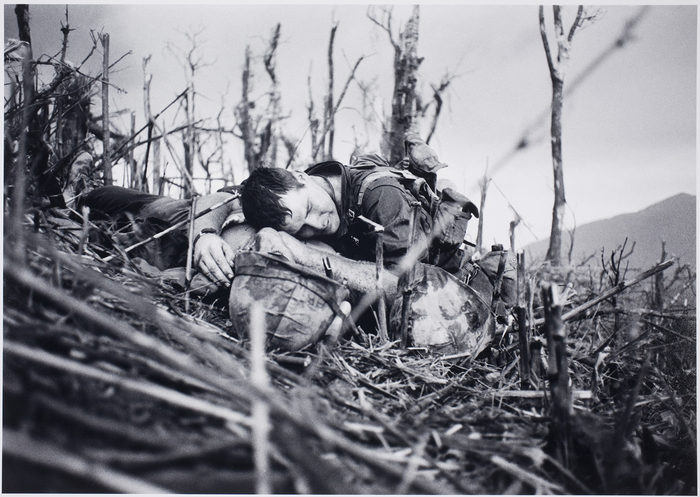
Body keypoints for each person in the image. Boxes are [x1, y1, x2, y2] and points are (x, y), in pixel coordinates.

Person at [193, 154, 478, 299]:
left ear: (299, 176)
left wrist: (305, 255)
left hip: (456, 280)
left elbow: (401, 288)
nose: (319, 224)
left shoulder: (382, 196)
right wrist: (204, 237)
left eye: (309, 209)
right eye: (302, 230)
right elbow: (222, 199)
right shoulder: (279, 193)